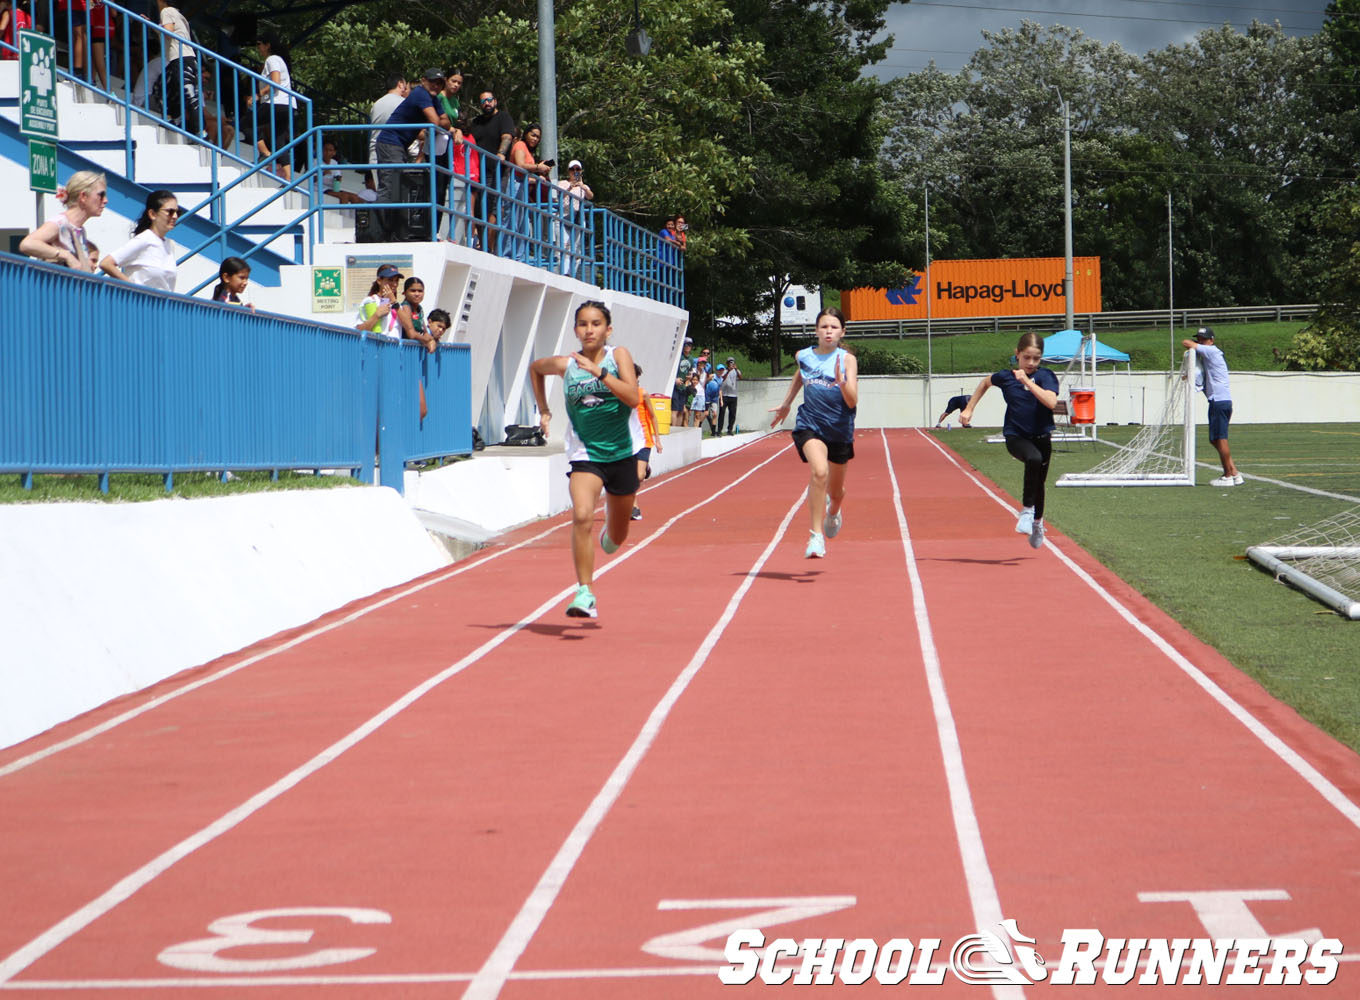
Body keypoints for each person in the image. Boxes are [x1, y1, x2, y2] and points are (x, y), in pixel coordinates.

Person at [530, 300, 640, 619]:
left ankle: (611, 534)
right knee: (581, 516)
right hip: (586, 454)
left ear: (608, 328)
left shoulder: (618, 356)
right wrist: (545, 410)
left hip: (621, 455)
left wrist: (600, 373)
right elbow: (536, 369)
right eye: (582, 324)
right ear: (575, 329)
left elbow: (633, 397)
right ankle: (584, 592)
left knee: (617, 537)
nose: (588, 330)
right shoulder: (567, 365)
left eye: (595, 323)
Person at [768, 307, 859, 559]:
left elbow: (852, 402)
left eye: (833, 327)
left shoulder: (847, 360)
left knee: (837, 492)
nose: (828, 331)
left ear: (842, 332)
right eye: (824, 327)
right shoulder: (804, 355)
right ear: (816, 330)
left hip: (840, 427)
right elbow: (801, 374)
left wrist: (842, 383)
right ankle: (816, 535)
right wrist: (787, 403)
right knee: (819, 471)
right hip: (811, 423)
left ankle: (834, 511)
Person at [959, 332, 1060, 549]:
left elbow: (1051, 402)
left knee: (1039, 483)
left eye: (1036, 358)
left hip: (1042, 436)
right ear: (1017, 354)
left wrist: (1028, 381)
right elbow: (986, 382)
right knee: (1033, 458)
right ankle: (1025, 512)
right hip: (1016, 436)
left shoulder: (1046, 377)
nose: (1031, 363)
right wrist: (969, 408)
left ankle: (1037, 523)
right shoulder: (1006, 377)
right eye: (1026, 358)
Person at [373, 68, 445, 241]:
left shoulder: (433, 99)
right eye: (433, 81)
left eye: (440, 83)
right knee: (390, 188)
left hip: (399, 145)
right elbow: (437, 122)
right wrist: (440, 122)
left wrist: (443, 123)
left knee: (399, 188)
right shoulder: (421, 93)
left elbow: (446, 122)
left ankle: (392, 232)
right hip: (390, 143)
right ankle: (379, 233)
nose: (436, 85)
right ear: (423, 80)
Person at [1182, 326, 1242, 486]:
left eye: (1203, 339)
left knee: (1220, 439)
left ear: (1211, 340)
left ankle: (1227, 475)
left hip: (1219, 401)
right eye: (1199, 338)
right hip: (1219, 401)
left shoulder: (1212, 351)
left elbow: (1186, 342)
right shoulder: (1209, 353)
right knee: (1215, 439)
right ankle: (1234, 473)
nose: (1201, 341)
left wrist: (1195, 344)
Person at [18, 170, 107, 270]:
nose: (105, 200)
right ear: (83, 196)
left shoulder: (80, 229)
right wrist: (65, 255)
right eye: (101, 195)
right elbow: (27, 244)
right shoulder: (60, 223)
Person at [99, 189, 180, 291]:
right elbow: (106, 263)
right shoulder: (144, 239)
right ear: (152, 214)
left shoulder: (170, 244)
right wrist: (134, 289)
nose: (175, 216)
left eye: (178, 212)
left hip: (163, 305)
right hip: (141, 305)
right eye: (170, 212)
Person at [249, 32, 297, 180]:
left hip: (276, 103)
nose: (258, 48)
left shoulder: (272, 59)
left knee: (247, 123)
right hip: (287, 104)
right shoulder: (277, 60)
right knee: (279, 141)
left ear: (267, 45)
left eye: (259, 44)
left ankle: (265, 153)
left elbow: (275, 83)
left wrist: (259, 94)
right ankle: (289, 178)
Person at [509, 123, 553, 261]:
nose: (535, 139)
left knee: (521, 224)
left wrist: (538, 171)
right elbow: (520, 165)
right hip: (514, 183)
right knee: (513, 222)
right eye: (533, 135)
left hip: (522, 185)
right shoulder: (521, 145)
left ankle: (519, 256)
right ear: (526, 133)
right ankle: (509, 254)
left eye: (538, 137)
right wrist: (537, 167)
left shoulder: (528, 150)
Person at [155, 0, 200, 135]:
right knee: (164, 88)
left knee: (188, 95)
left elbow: (168, 32)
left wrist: (156, 26)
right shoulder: (178, 14)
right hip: (184, 58)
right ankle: (173, 120)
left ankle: (200, 131)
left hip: (180, 59)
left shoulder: (166, 11)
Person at [631, 362, 661, 521]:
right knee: (631, 476)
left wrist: (658, 439)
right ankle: (634, 507)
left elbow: (653, 416)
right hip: (627, 441)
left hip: (644, 439)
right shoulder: (619, 394)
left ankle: (644, 467)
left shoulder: (643, 394)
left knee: (639, 475)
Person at [368, 74, 408, 185]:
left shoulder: (376, 104)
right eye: (405, 85)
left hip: (374, 154)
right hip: (393, 153)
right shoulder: (403, 103)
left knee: (382, 193)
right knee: (395, 194)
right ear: (400, 84)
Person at [354, 264, 403, 337]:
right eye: (390, 280)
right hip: (376, 347)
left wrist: (395, 303)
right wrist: (376, 315)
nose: (395, 284)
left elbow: (409, 328)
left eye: (397, 281)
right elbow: (358, 331)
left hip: (394, 347)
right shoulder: (370, 301)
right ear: (379, 281)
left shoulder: (398, 306)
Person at [397, 276, 438, 352]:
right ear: (404, 293)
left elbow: (424, 332)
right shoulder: (406, 307)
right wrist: (426, 340)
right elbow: (411, 334)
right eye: (413, 291)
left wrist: (432, 340)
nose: (417, 294)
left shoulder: (419, 309)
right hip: (404, 350)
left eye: (420, 291)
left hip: (414, 351)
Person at [671, 337, 694, 425]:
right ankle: (673, 429)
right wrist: (675, 379)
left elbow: (690, 372)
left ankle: (678, 430)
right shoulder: (678, 357)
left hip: (683, 387)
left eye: (690, 345)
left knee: (681, 410)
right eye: (686, 345)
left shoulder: (691, 360)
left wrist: (690, 377)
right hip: (675, 386)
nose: (688, 347)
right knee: (675, 410)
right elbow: (671, 370)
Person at [718, 356, 740, 434]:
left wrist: (736, 369)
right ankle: (719, 430)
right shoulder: (724, 371)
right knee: (722, 413)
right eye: (730, 362)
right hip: (724, 395)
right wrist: (728, 371)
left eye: (732, 362)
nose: (731, 364)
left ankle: (730, 429)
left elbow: (740, 377)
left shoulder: (736, 371)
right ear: (727, 363)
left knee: (732, 413)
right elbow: (722, 378)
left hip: (733, 395)